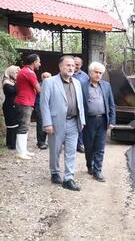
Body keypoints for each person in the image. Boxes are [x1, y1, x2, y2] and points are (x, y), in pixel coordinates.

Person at [40, 56, 85, 191]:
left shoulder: (77, 83)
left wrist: (81, 120)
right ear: (60, 67)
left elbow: (80, 103)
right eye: (68, 65)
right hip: (55, 123)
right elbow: (44, 105)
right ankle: (54, 172)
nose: (71, 68)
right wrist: (47, 123)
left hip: (73, 122)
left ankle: (68, 178)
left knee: (71, 151)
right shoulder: (49, 82)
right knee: (55, 150)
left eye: (73, 65)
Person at [82, 62, 115, 182]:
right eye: (96, 72)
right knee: (89, 146)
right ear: (90, 72)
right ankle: (89, 165)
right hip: (88, 121)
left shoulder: (106, 86)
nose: (98, 75)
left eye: (100, 73)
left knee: (100, 147)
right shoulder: (82, 86)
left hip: (102, 120)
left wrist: (112, 120)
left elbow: (111, 104)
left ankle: (98, 171)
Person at [14, 54, 41, 160]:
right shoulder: (29, 72)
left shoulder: (23, 71)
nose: (40, 63)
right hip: (25, 102)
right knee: (23, 127)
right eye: (38, 61)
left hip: (23, 101)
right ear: (33, 62)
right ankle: (20, 152)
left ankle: (23, 150)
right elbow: (39, 89)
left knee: (24, 126)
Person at [72, 56, 88, 153]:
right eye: (74, 64)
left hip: (81, 104)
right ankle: (68, 144)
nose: (75, 66)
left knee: (81, 124)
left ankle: (80, 144)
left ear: (81, 65)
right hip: (69, 104)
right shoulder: (66, 74)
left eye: (77, 64)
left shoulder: (85, 76)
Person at [2, 65, 20, 150]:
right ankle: (12, 144)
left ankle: (11, 143)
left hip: (12, 105)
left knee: (13, 125)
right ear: (11, 72)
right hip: (9, 106)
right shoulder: (6, 83)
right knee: (12, 125)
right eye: (16, 72)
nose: (17, 74)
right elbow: (12, 91)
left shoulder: (13, 82)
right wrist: (18, 82)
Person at [34, 72, 52, 150]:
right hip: (40, 106)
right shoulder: (38, 85)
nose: (46, 78)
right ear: (41, 78)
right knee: (41, 124)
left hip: (52, 107)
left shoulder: (54, 85)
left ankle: (52, 142)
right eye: (44, 77)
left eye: (48, 77)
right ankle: (41, 142)